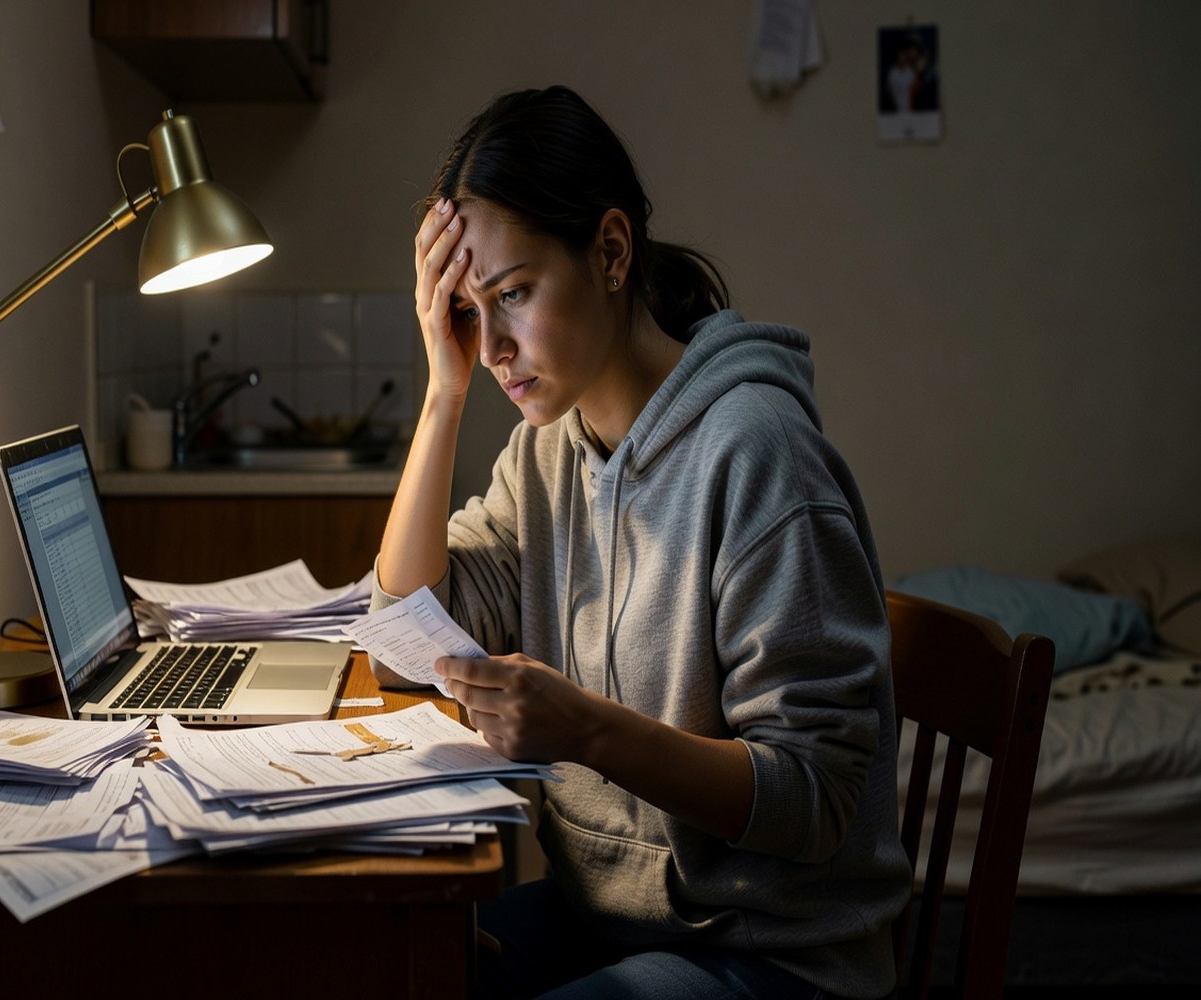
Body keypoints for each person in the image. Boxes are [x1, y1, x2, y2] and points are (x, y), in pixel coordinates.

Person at [368, 85, 910, 1000]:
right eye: (469, 311)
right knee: (373, 968)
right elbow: (405, 633)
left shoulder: (758, 453)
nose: (494, 345)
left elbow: (813, 801)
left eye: (514, 295)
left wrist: (586, 729)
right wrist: (441, 393)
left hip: (775, 955)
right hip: (605, 922)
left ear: (611, 252)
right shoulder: (547, 447)